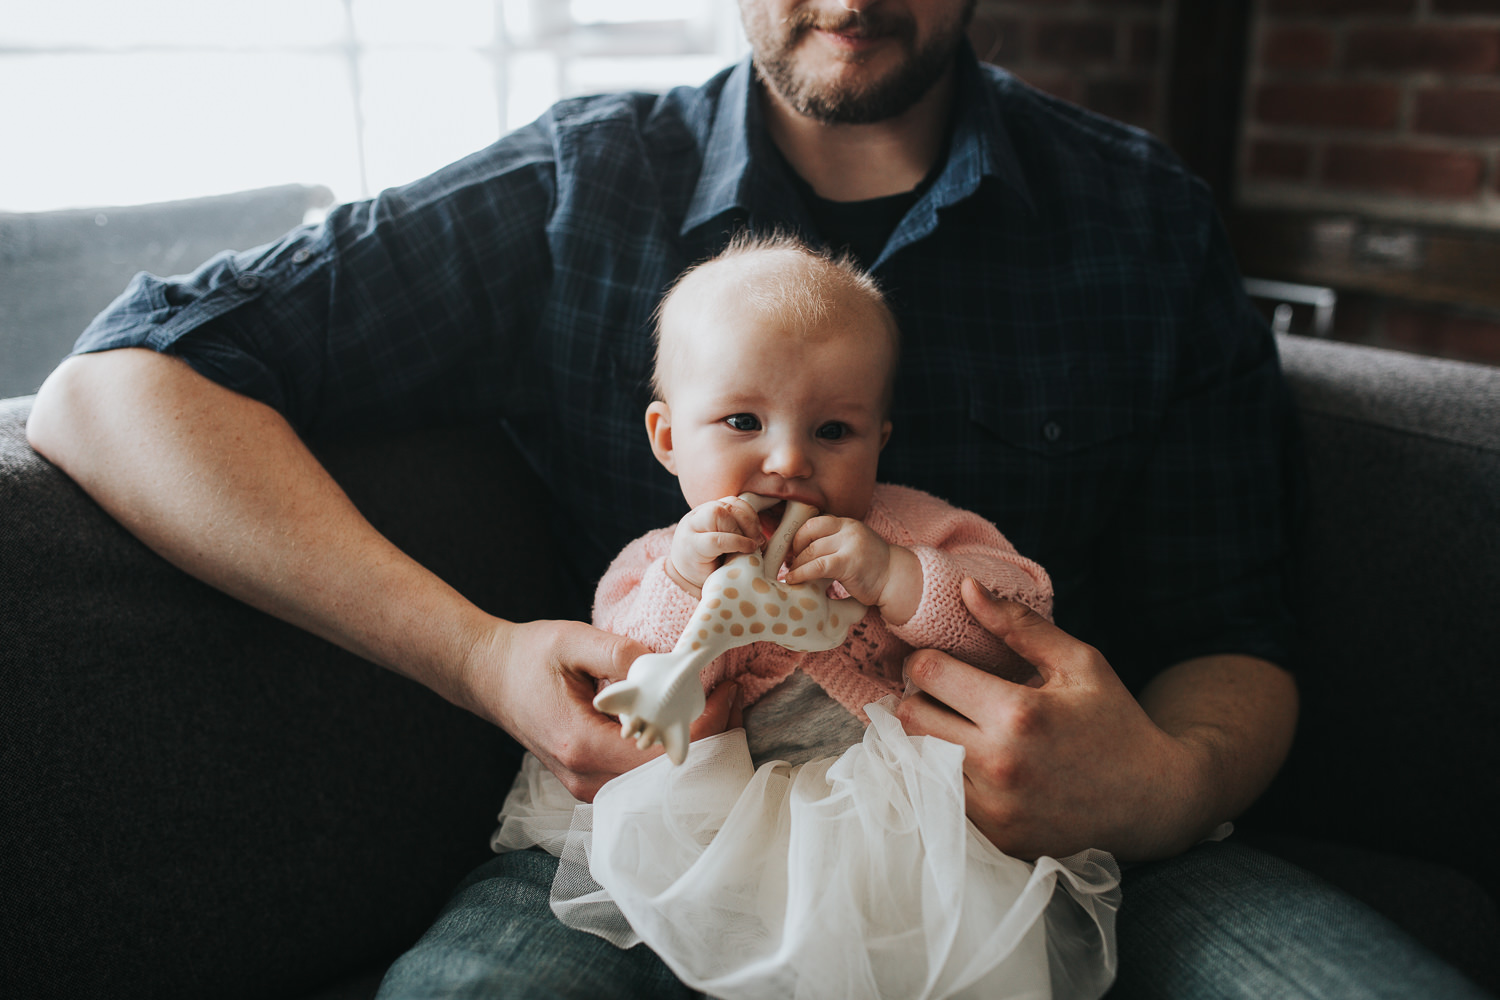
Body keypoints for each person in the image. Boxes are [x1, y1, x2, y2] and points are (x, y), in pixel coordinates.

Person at [23, 0, 1488, 996]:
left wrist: (1164, 784)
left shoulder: (1135, 217)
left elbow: (1241, 628)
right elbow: (121, 385)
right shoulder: (579, 190)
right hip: (652, 838)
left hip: (1054, 845)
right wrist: (477, 654)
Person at [491, 232, 1120, 999]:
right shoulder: (659, 560)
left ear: (879, 443)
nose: (789, 461)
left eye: (832, 432)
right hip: (707, 823)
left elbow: (1021, 617)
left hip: (895, 830)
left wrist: (901, 577)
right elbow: (632, 674)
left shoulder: (910, 528)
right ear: (667, 438)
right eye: (743, 423)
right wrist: (688, 583)